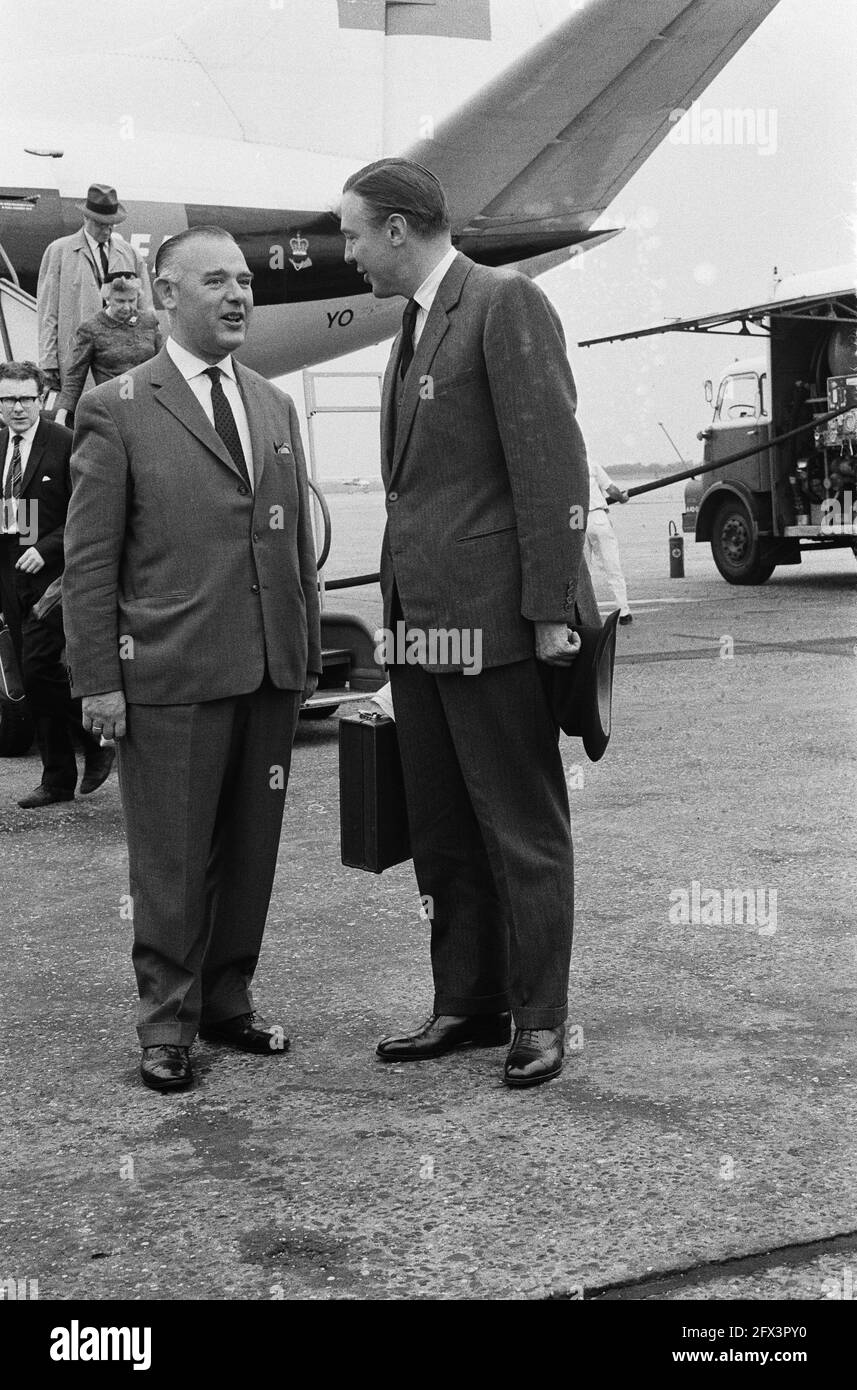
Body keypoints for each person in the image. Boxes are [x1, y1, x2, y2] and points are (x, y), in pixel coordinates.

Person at [340, 158, 600, 1089]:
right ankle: (469, 1001)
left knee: (518, 824)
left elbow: (550, 467)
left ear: (400, 229)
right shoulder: (410, 329)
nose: (348, 251)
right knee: (444, 824)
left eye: (355, 232)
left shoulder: (503, 304)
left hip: (494, 624)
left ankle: (540, 1018)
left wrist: (547, 615)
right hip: (422, 629)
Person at [62, 225, 322, 1094]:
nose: (239, 295)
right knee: (171, 860)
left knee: (252, 850)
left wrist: (306, 652)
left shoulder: (274, 405)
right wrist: (98, 679)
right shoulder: (117, 406)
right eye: (217, 281)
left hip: (268, 672)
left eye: (245, 280)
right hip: (170, 676)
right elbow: (90, 561)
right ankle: (166, 1026)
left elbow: (292, 550)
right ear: (166, 294)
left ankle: (227, 1001)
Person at [0, 362, 113, 807]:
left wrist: (47, 548)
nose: (18, 408)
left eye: (26, 398)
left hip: (57, 577)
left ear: (41, 398)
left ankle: (90, 741)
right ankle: (59, 778)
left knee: (41, 665)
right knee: (31, 674)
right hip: (11, 575)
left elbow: (85, 511)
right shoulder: (1, 446)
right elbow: (12, 515)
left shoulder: (64, 442)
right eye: (8, 399)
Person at [37, 183, 153, 398]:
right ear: (86, 218)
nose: (107, 230)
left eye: (112, 225)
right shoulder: (59, 251)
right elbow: (47, 312)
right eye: (101, 224)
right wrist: (48, 361)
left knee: (120, 411)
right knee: (80, 412)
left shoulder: (131, 254)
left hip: (121, 361)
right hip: (76, 355)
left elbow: (147, 310)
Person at [54, 274, 163, 424]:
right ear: (107, 298)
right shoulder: (91, 329)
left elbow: (164, 364)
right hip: (113, 410)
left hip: (150, 406)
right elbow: (75, 376)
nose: (127, 307)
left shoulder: (149, 321)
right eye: (120, 301)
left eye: (132, 300)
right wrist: (61, 415)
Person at [586, 460, 632, 624]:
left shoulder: (562, 467)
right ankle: (624, 612)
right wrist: (622, 498)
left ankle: (585, 613)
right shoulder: (591, 463)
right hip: (597, 516)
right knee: (612, 567)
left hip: (575, 518)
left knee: (583, 571)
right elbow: (611, 490)